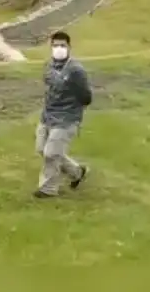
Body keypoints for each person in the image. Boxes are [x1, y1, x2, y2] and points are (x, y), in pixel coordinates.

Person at [34, 30, 91, 199]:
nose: (59, 48)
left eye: (62, 45)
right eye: (55, 45)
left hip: (67, 117)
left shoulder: (76, 70)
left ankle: (48, 189)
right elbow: (49, 87)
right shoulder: (48, 66)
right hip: (48, 115)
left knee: (51, 153)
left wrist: (72, 107)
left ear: (69, 47)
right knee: (42, 149)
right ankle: (77, 172)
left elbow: (86, 96)